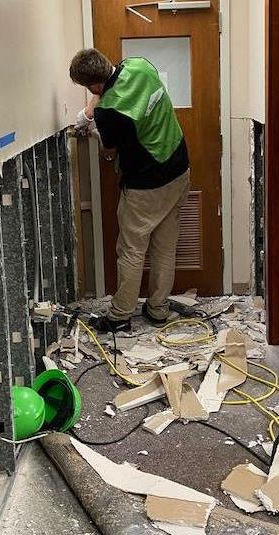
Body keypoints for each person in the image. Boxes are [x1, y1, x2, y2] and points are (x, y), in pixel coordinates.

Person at [69, 48, 190, 333]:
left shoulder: (109, 112)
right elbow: (107, 87)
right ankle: (158, 309)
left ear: (92, 86)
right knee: (164, 245)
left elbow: (110, 153)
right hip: (179, 169)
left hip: (146, 185)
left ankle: (121, 314)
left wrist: (93, 128)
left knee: (132, 249)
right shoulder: (140, 65)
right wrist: (88, 113)